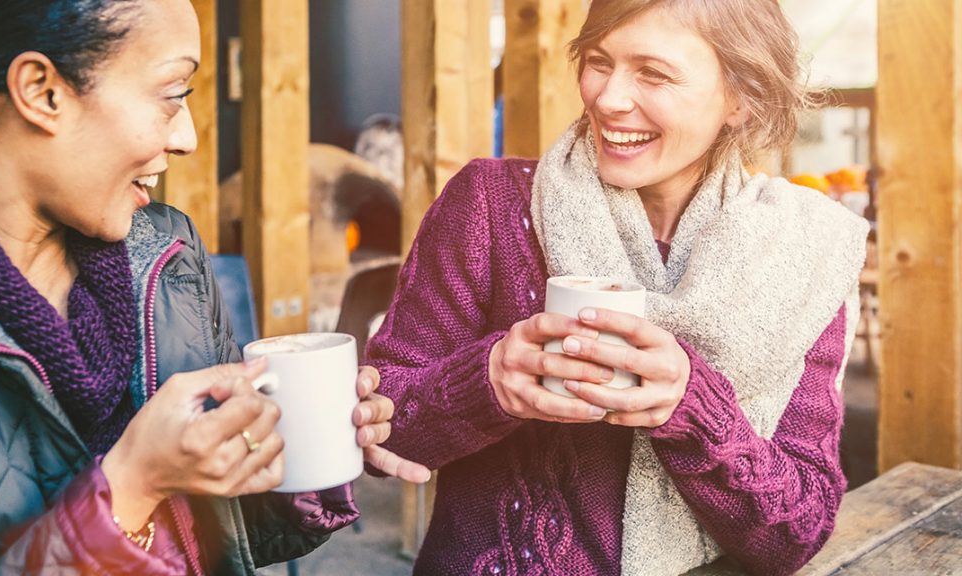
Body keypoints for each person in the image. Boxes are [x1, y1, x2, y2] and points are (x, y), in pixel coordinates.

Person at [366, 1, 868, 574]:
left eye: (653, 73)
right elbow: (386, 433)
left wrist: (690, 407)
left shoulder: (802, 251)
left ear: (741, 97)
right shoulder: (490, 206)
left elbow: (796, 535)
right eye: (598, 61)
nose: (607, 98)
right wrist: (489, 383)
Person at [0, 0, 429, 574]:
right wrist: (133, 485)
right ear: (43, 92)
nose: (189, 139)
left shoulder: (168, 253)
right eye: (174, 93)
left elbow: (227, 537)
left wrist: (302, 447)